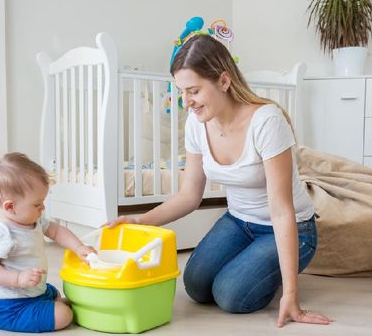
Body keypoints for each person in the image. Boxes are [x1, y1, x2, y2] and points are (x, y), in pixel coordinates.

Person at [107, 34, 331, 327]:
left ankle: (274, 271)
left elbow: (281, 210)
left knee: (230, 295)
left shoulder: (266, 122)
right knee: (196, 284)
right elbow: (190, 195)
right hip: (239, 220)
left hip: (292, 228)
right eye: (181, 92)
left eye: (194, 91)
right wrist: (140, 221)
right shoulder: (197, 124)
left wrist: (291, 295)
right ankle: (255, 264)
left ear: (224, 81)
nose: (186, 103)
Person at [0, 152, 95, 333]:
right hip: (12, 307)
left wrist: (78, 247)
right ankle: (52, 309)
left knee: (57, 294)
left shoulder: (33, 220)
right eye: (37, 204)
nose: (43, 208)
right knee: (65, 315)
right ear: (10, 207)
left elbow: (56, 231)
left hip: (34, 291)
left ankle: (49, 304)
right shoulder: (0, 232)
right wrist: (18, 279)